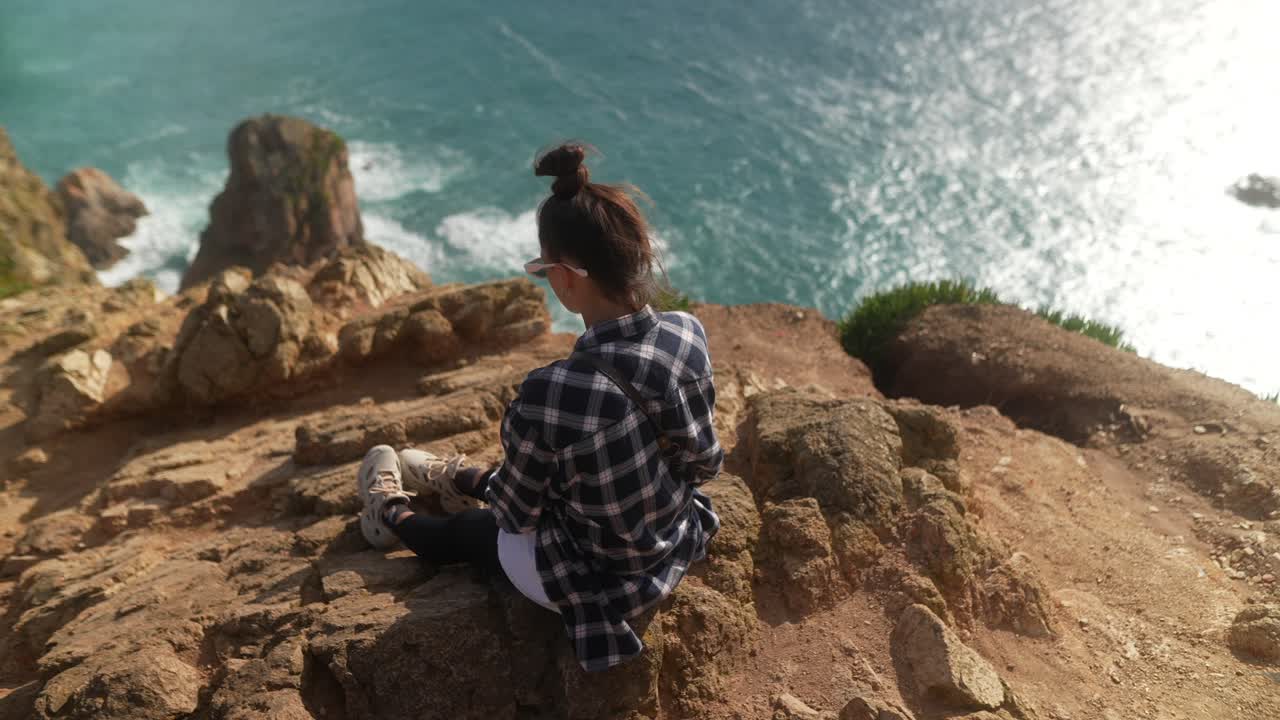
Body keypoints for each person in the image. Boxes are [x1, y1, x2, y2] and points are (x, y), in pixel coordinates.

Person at [353, 142, 723, 671]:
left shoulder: (552, 391)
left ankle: (389, 512)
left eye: (544, 269)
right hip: (673, 536)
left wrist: (505, 496)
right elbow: (703, 462)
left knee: (475, 534)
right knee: (556, 482)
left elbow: (514, 516)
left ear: (569, 274)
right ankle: (460, 478)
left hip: (599, 573)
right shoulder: (688, 333)